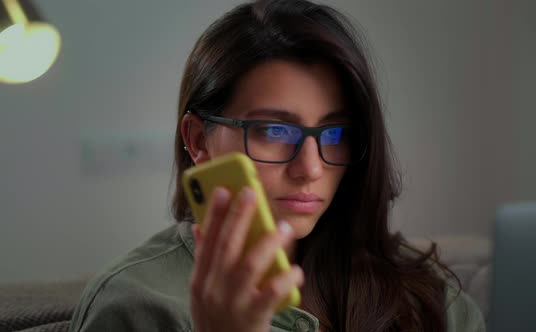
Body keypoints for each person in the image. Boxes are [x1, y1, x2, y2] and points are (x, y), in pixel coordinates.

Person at [69, 0, 486, 331]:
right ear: (198, 140)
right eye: (275, 131)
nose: (310, 169)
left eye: (335, 134)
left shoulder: (428, 299)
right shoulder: (136, 308)